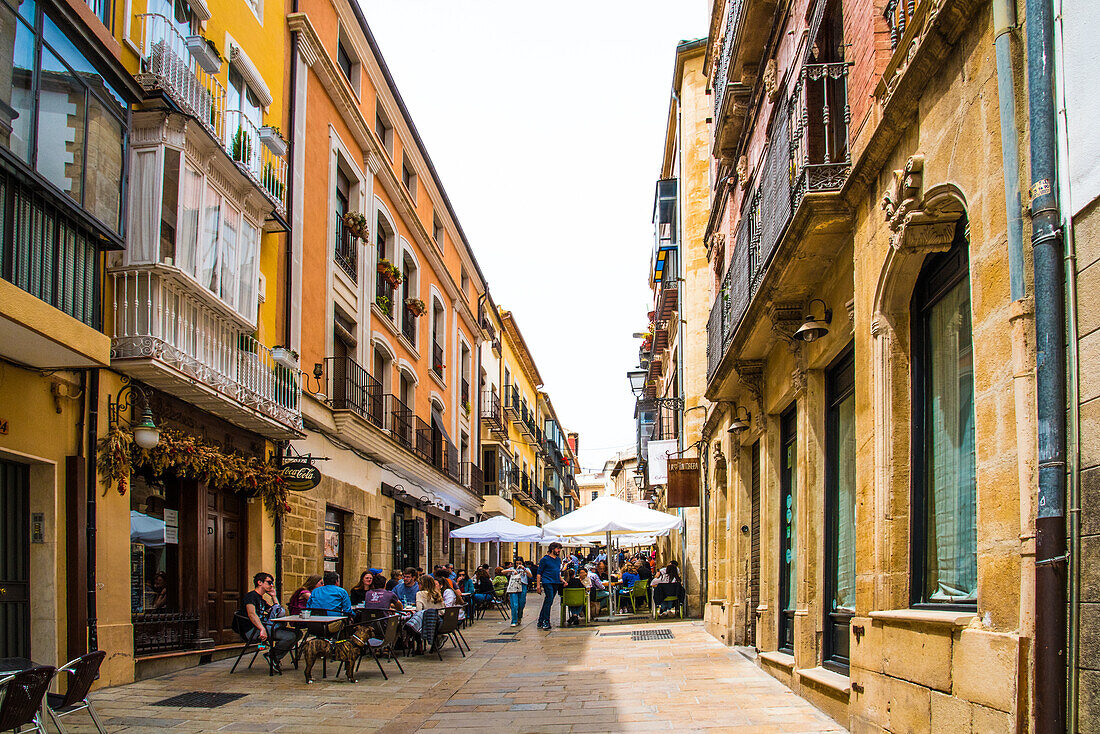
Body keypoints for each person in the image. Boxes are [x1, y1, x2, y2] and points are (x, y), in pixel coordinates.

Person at [237, 572, 297, 672]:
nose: (272, 585)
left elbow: (278, 612)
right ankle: (273, 657)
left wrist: (274, 597)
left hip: (263, 627)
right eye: (269, 582)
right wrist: (262, 629)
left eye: (272, 583)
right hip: (252, 630)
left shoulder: (261, 599)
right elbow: (252, 614)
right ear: (259, 582)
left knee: (297, 633)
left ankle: (273, 656)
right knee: (291, 636)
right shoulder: (251, 596)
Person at [535, 542, 564, 630]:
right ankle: (546, 621)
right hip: (547, 582)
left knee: (548, 601)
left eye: (560, 549)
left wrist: (562, 580)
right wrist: (538, 586)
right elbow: (539, 573)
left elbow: (557, 572)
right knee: (549, 599)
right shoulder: (545, 559)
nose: (559, 550)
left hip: (556, 582)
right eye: (557, 548)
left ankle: (540, 621)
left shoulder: (558, 560)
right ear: (552, 549)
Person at [505, 557, 532, 627]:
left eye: (519, 563)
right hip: (514, 586)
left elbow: (530, 575)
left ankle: (519, 616)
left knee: (521, 603)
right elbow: (502, 571)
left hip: (523, 586)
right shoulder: (512, 569)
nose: (518, 565)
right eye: (517, 563)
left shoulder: (526, 569)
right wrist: (512, 571)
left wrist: (524, 569)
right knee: (514, 604)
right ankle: (514, 620)